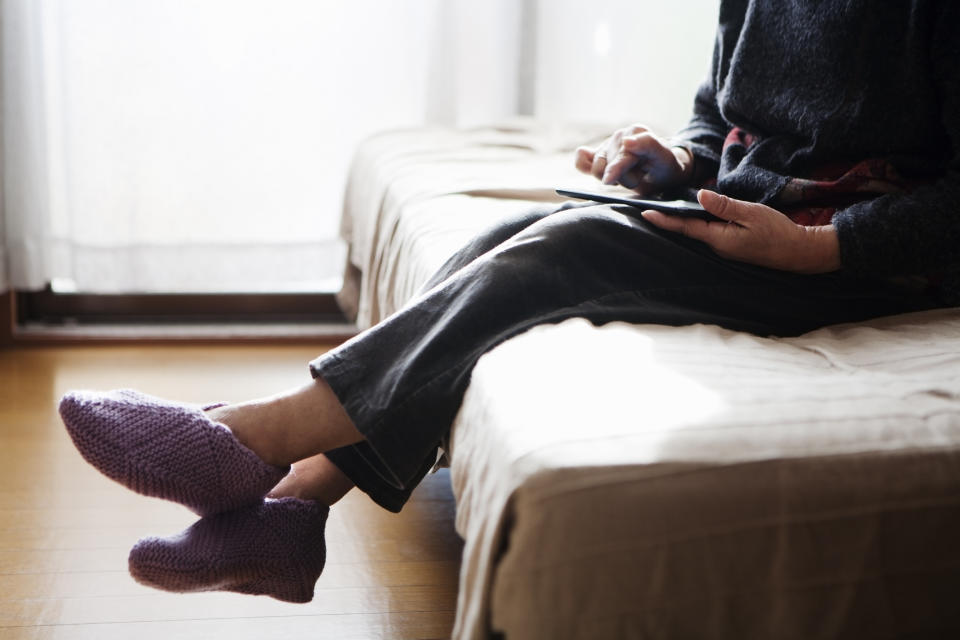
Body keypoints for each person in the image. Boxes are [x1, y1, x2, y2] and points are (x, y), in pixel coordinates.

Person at [60, 0, 958, 603]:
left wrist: (817, 247)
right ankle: (297, 508)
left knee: (565, 254)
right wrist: (674, 163)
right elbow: (718, 112)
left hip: (857, 252)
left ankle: (246, 440)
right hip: (752, 218)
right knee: (495, 248)